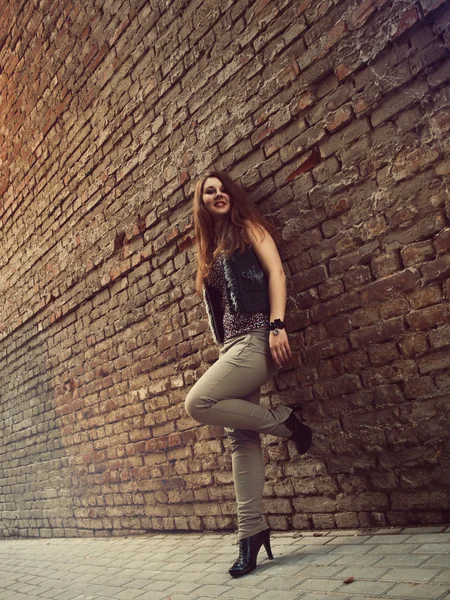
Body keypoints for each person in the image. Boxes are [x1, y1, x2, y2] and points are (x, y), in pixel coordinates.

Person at [184, 170, 312, 578]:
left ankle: (285, 422)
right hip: (232, 347)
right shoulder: (209, 247)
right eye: (210, 191)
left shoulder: (248, 229)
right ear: (201, 202)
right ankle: (251, 532)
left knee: (199, 403)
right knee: (241, 438)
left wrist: (277, 325)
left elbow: (276, 272)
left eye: (222, 189)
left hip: (258, 339)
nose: (218, 195)